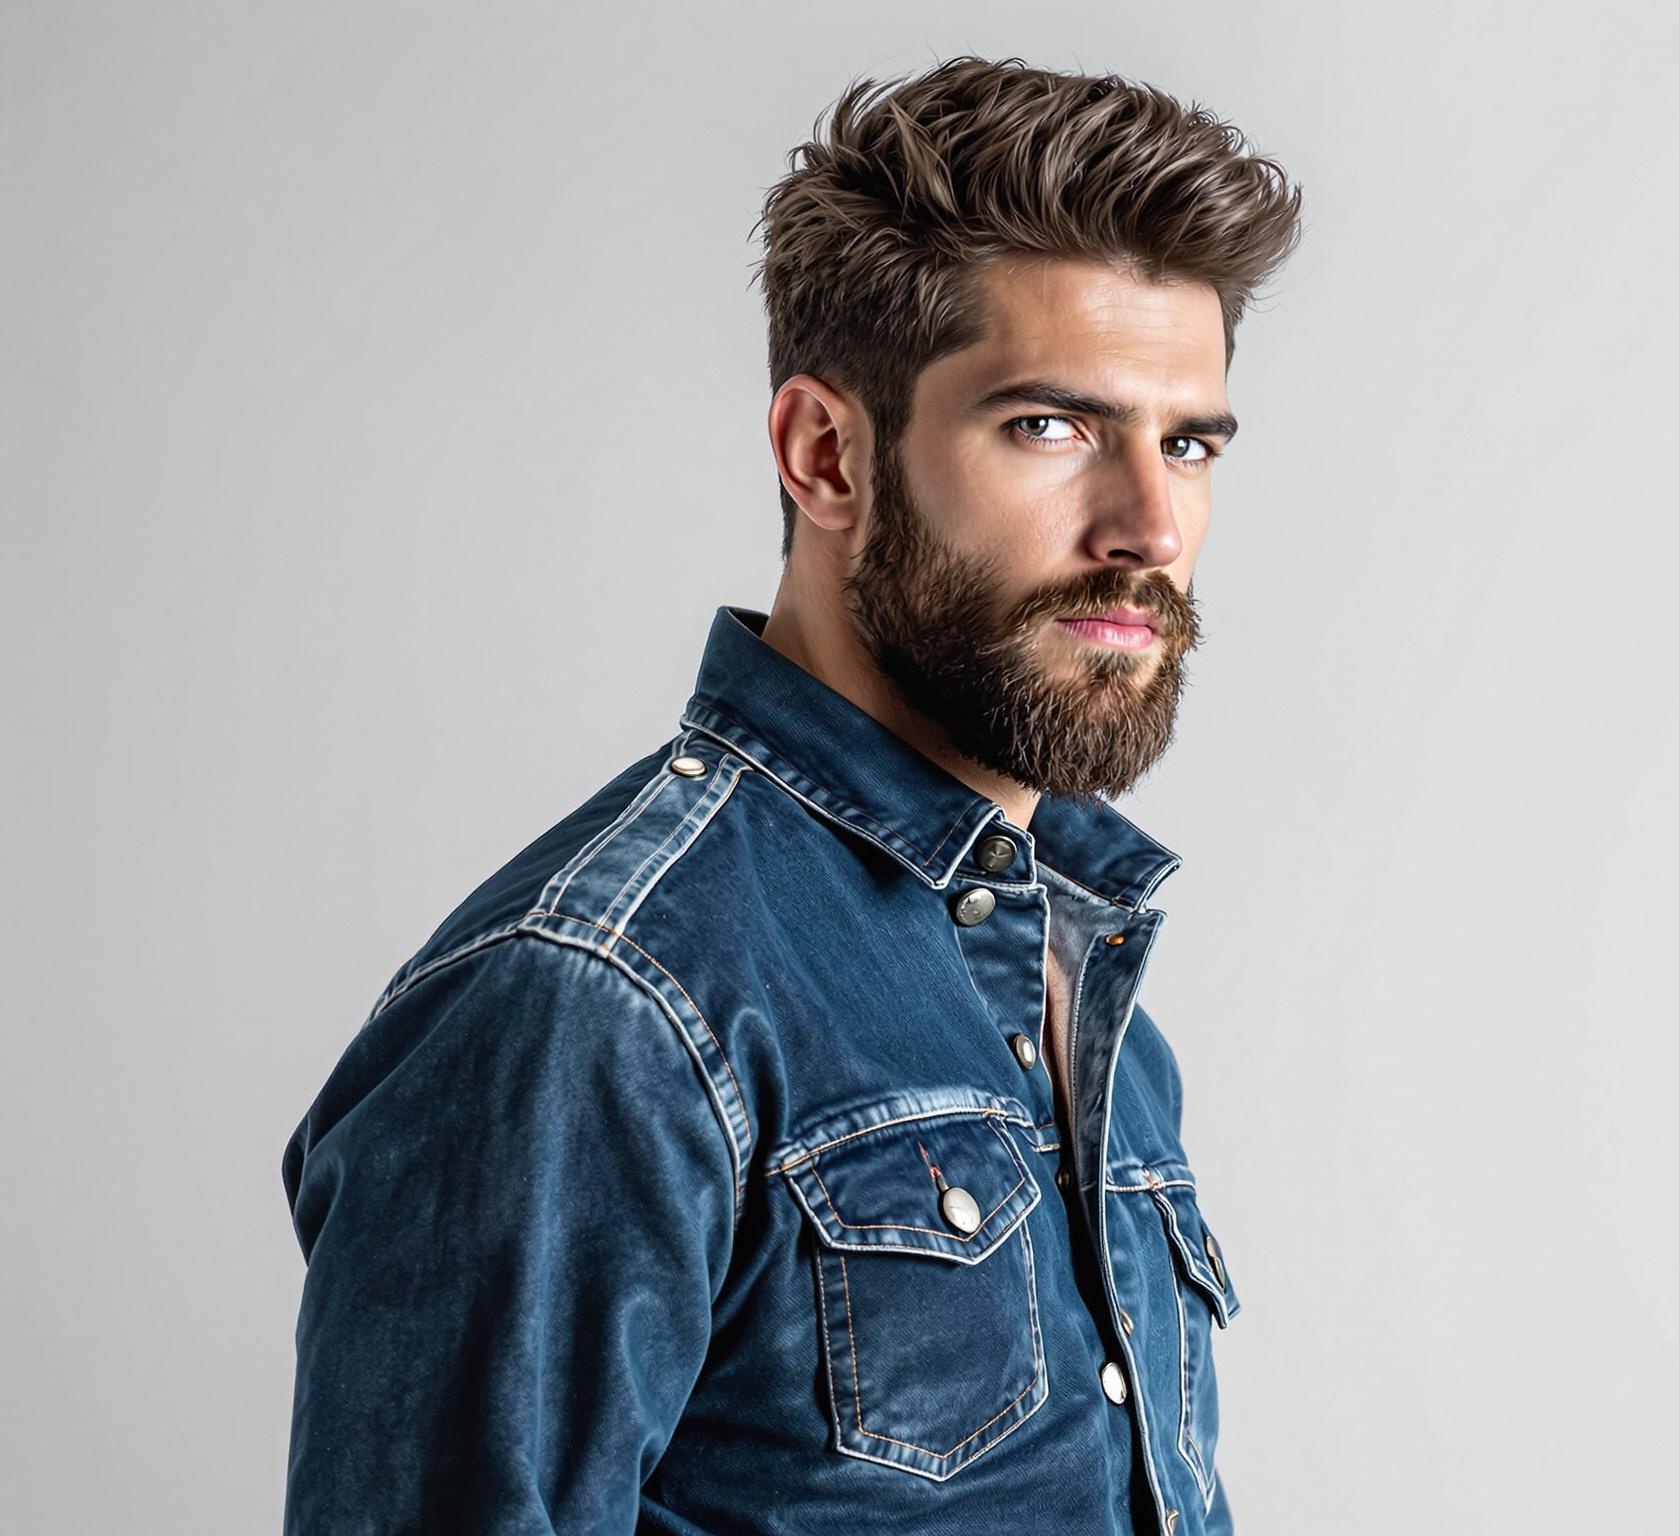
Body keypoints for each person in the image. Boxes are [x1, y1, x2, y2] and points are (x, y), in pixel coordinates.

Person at [278, 56, 1303, 1535]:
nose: (1149, 524)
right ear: (827, 453)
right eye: (1051, 428)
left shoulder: (1088, 987)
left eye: (1188, 443)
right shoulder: (600, 1003)